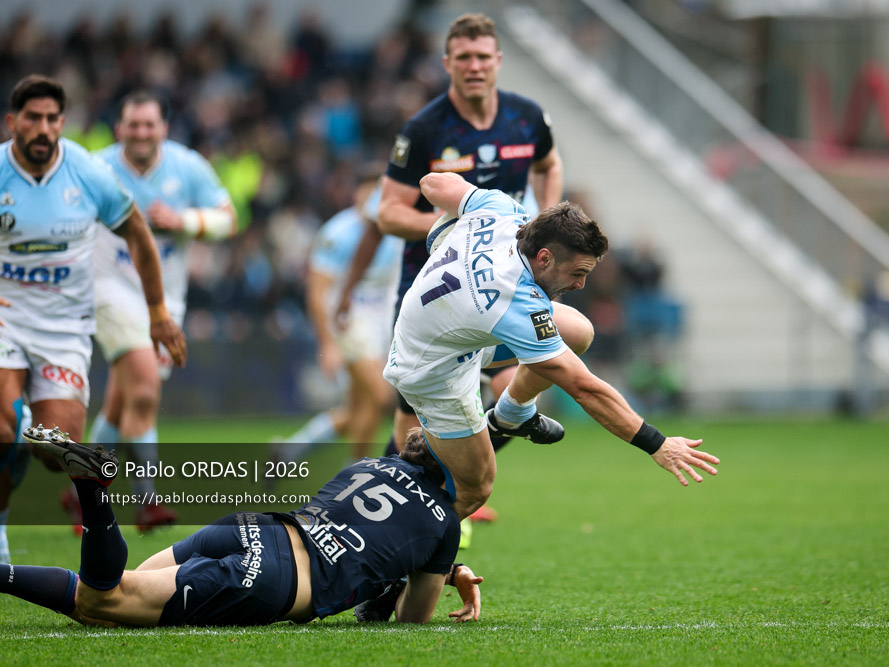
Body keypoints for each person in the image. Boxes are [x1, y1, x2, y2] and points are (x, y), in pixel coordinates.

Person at [335, 13, 581, 526]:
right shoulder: (424, 128)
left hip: (508, 283)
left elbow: (549, 163)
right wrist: (464, 219)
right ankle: (382, 516)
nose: (474, 66)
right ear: (448, 63)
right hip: (436, 285)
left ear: (498, 61)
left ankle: (452, 492)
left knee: (525, 372)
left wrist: (546, 220)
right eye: (463, 57)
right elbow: (387, 212)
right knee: (411, 421)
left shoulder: (527, 117)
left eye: (483, 57)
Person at [385, 172, 721, 519]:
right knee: (474, 488)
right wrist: (658, 444)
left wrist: (441, 233)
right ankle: (396, 556)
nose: (580, 284)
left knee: (576, 331)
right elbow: (584, 388)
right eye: (577, 272)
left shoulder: (502, 210)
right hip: (432, 370)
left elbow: (431, 183)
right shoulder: (515, 300)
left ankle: (512, 415)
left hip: (451, 330)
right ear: (544, 257)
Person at [1, 425, 481, 627]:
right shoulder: (445, 523)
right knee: (103, 601)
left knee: (106, 602)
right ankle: (90, 486)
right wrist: (441, 572)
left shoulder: (369, 464)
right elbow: (411, 620)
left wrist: (439, 567)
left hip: (252, 528)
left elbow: (374, 530)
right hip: (275, 577)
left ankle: (87, 487)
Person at [0, 75, 186, 562]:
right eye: (32, 118)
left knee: (54, 449)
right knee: (1, 426)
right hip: (6, 319)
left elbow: (139, 236)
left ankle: (22, 434)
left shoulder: (85, 172)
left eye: (51, 119)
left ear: (62, 123)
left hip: (64, 328)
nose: (42, 128)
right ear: (12, 122)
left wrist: (158, 315)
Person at [86, 90, 236, 531]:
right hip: (109, 290)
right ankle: (148, 501)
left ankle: (81, 491)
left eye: (149, 125)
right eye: (133, 125)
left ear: (163, 129)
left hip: (167, 298)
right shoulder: (96, 168)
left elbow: (229, 219)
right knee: (146, 391)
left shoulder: (187, 166)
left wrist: (183, 220)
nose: (141, 133)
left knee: (120, 401)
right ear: (119, 129)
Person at [275, 170, 400, 463]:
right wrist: (327, 343)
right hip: (348, 323)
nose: (373, 201)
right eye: (367, 194)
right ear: (354, 194)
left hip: (381, 323)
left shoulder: (394, 228)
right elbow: (317, 292)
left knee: (361, 406)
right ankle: (355, 471)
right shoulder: (338, 233)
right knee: (381, 396)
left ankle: (288, 452)